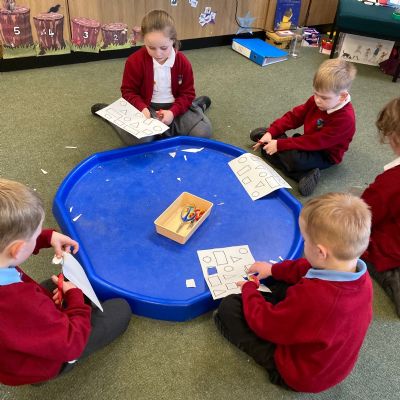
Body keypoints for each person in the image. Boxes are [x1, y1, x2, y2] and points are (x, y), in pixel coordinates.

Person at [214, 192, 372, 393]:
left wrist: (249, 289)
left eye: (305, 240)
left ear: (321, 252)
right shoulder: (358, 274)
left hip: (300, 374)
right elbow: (305, 268)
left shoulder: (315, 298)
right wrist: (273, 269)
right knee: (283, 283)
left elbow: (266, 324)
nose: (303, 244)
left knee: (230, 308)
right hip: (330, 361)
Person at [0, 178, 131, 386]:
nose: (39, 236)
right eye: (35, 235)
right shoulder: (22, 303)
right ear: (18, 249)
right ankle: (39, 376)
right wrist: (75, 298)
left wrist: (46, 237)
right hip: (41, 361)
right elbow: (71, 344)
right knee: (120, 309)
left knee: (56, 287)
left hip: (11, 350)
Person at [91, 9, 212, 145]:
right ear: (144, 41)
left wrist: (173, 112)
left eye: (164, 48)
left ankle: (197, 107)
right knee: (141, 141)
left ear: (173, 40)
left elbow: (187, 94)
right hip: (146, 108)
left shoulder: (182, 62)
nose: (158, 54)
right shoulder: (134, 61)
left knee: (203, 132)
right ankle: (112, 115)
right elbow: (128, 91)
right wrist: (142, 108)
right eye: (151, 48)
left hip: (176, 109)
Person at [250, 59, 357, 196]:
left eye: (324, 98)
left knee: (292, 159)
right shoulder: (317, 100)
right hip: (306, 141)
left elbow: (316, 141)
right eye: (315, 94)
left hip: (325, 154)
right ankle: (272, 139)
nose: (317, 100)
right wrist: (272, 131)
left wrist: (280, 145)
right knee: (268, 150)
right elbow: (295, 116)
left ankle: (303, 174)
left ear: (342, 97)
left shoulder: (345, 119)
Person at [361, 97, 400, 317]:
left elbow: (365, 214)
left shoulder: (390, 183)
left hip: (389, 250)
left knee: (348, 239)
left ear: (394, 137)